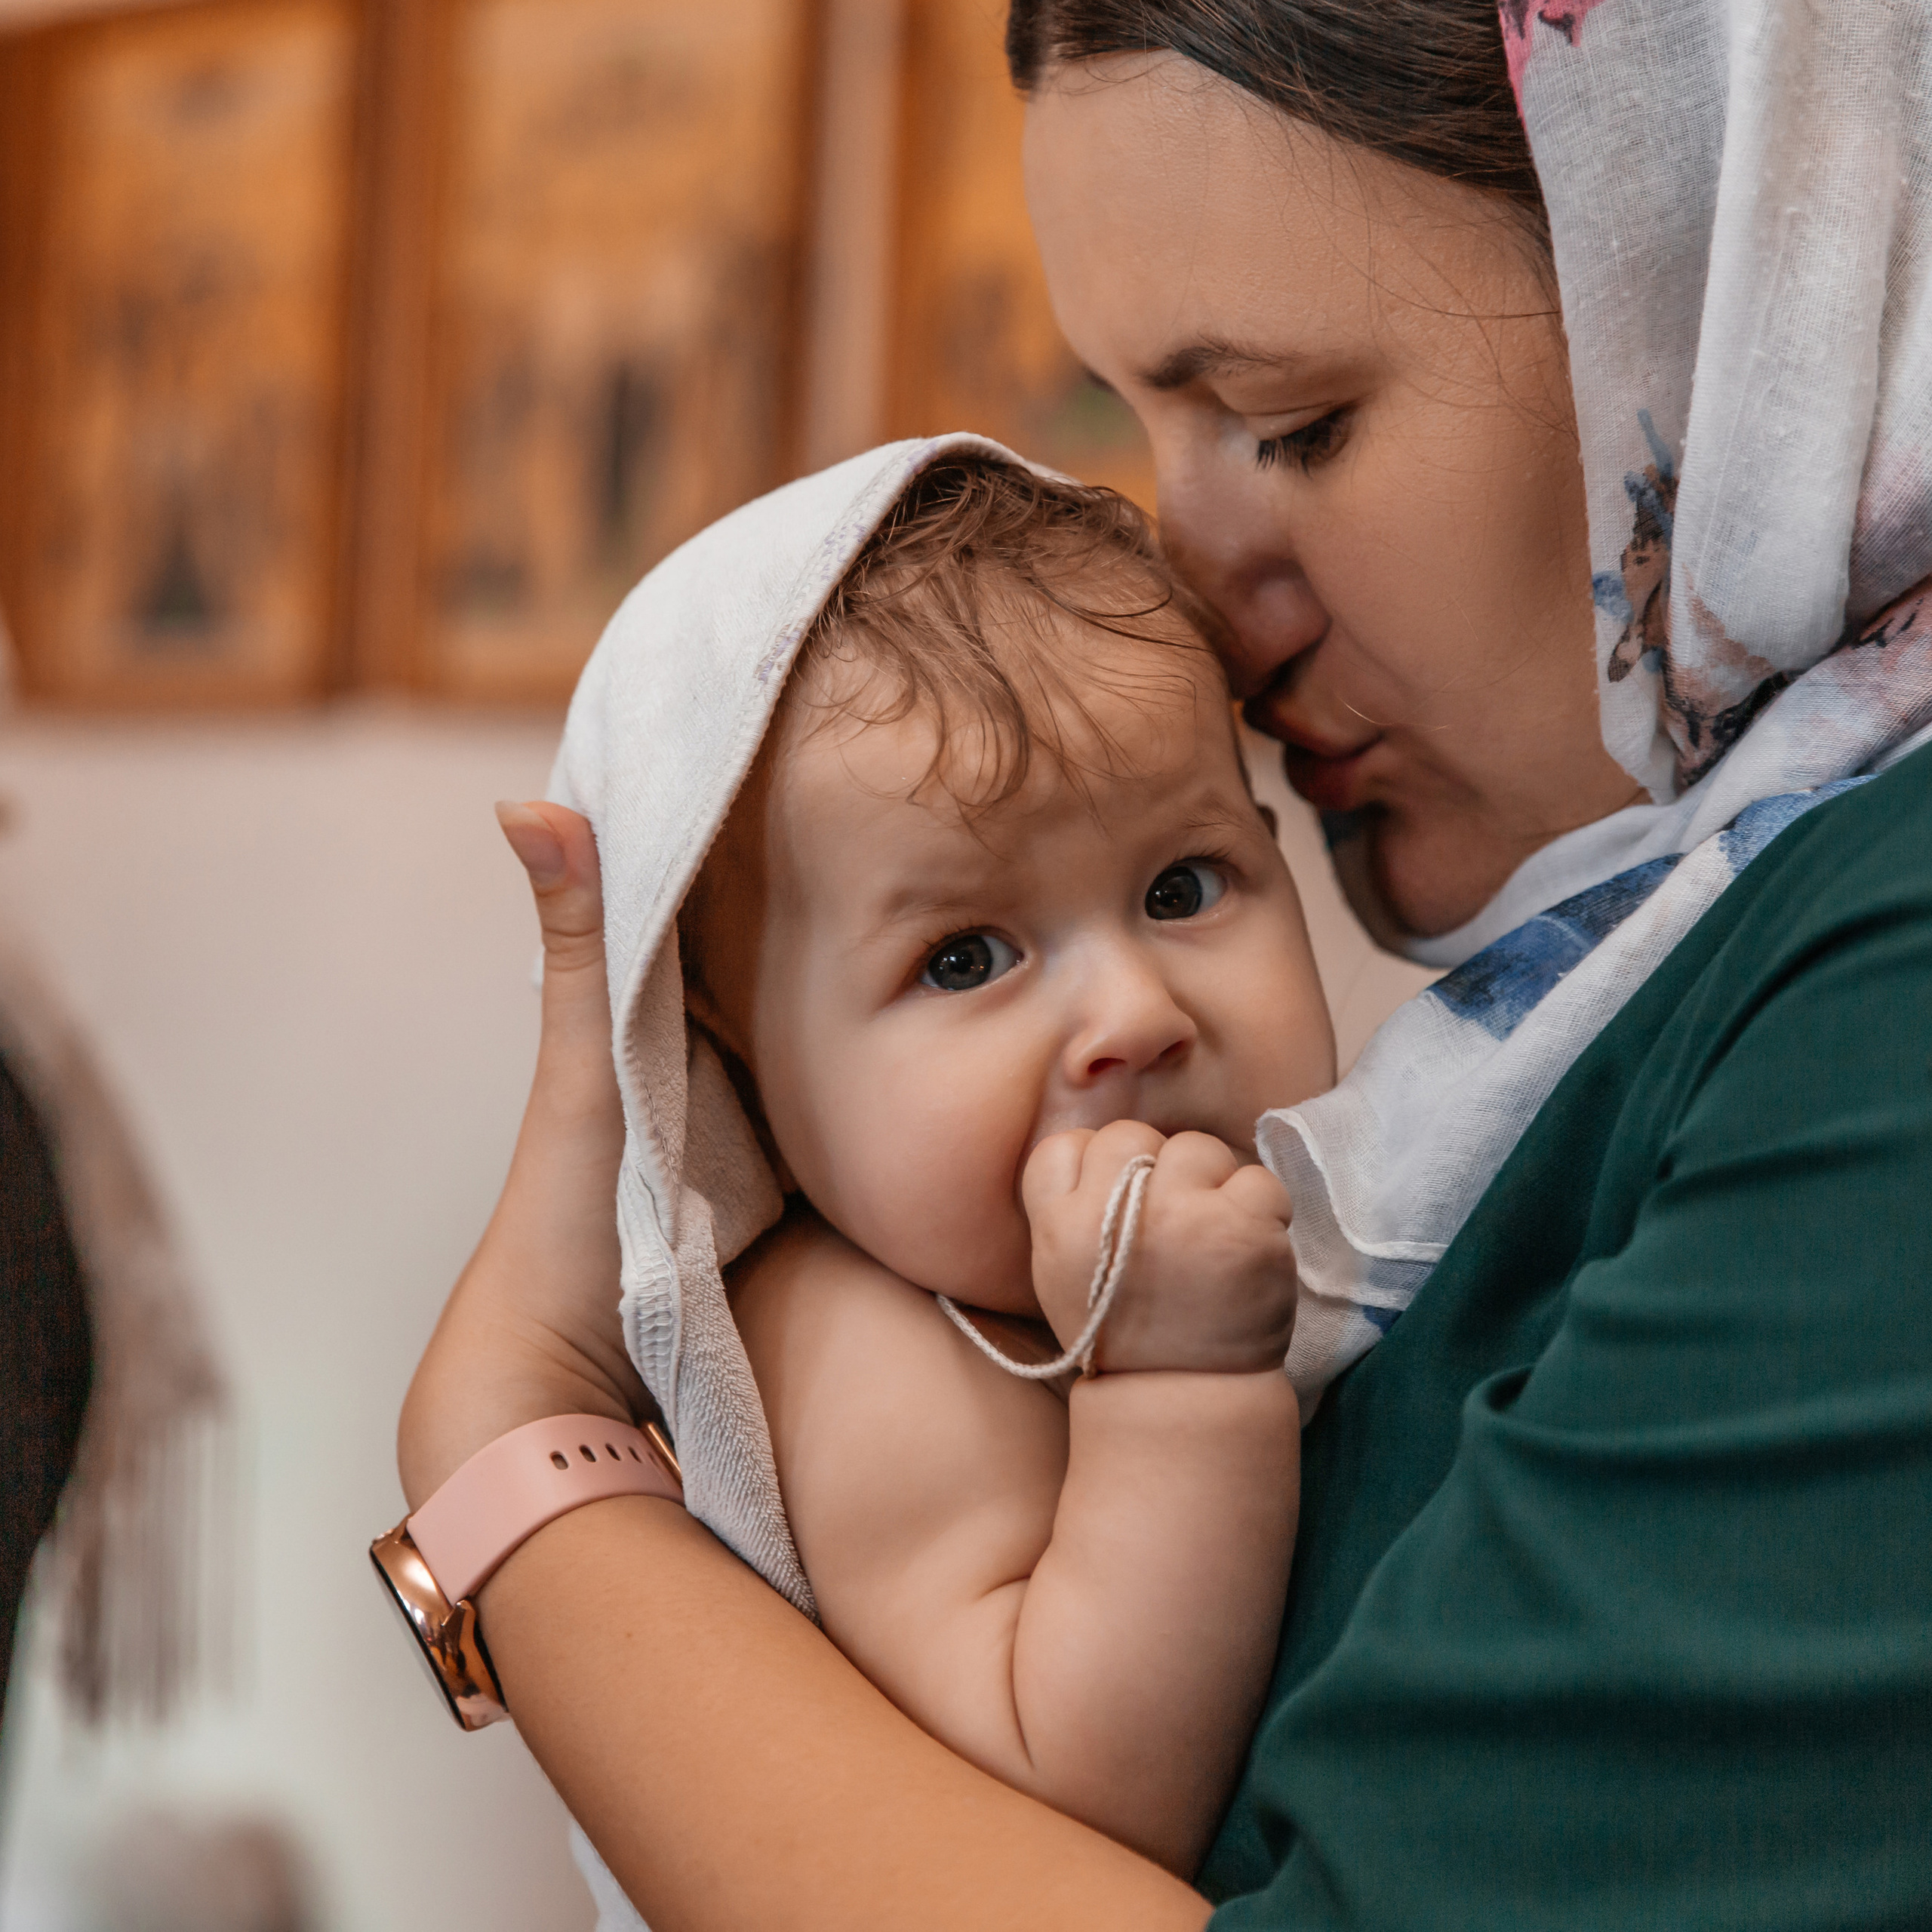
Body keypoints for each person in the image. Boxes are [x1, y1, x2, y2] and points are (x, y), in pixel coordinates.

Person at [396, 2, 1932, 1925]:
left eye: (1290, 422)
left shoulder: (1887, 977)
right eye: (1141, 425)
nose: (1195, 592)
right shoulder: (1614, 985)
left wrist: (507, 1464)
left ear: (1730, 262)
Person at [509, 448, 1337, 1882]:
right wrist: (1176, 1382)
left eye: (1183, 887)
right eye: (964, 959)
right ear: (733, 1060)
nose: (1134, 1015)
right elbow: (1082, 1803)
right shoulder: (866, 1350)